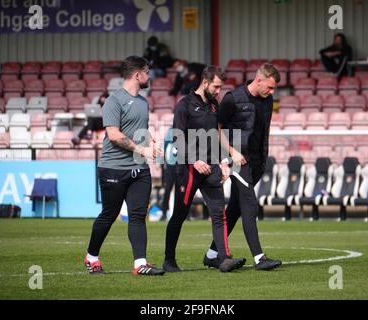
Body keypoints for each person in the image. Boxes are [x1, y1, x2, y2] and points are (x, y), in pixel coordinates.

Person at [84, 56, 165, 276]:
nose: (150, 76)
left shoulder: (143, 102)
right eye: (147, 72)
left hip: (139, 169)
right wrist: (142, 150)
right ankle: (91, 256)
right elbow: (114, 135)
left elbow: (139, 131)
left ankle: (140, 264)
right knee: (109, 214)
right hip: (113, 168)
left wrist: (151, 140)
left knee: (138, 216)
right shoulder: (113, 101)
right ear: (137, 74)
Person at [162, 66, 246, 273]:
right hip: (188, 170)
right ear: (205, 82)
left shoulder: (214, 105)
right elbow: (177, 138)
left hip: (211, 169)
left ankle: (223, 258)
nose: (219, 91)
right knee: (179, 215)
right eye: (216, 87)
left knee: (219, 215)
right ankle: (169, 260)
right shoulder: (184, 105)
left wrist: (223, 161)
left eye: (220, 87)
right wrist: (194, 160)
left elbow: (215, 137)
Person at [204, 63, 282, 271]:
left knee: (236, 209)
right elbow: (216, 129)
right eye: (270, 87)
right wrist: (232, 152)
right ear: (259, 80)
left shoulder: (268, 100)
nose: (272, 92)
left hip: (257, 162)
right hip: (238, 160)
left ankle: (211, 255)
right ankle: (259, 258)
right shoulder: (232, 99)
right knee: (249, 204)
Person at [160, 127, 176, 221]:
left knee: (183, 190)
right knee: (168, 189)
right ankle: (164, 212)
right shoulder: (171, 131)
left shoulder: (186, 127)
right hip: (171, 164)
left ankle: (187, 213)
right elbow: (166, 146)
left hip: (182, 164)